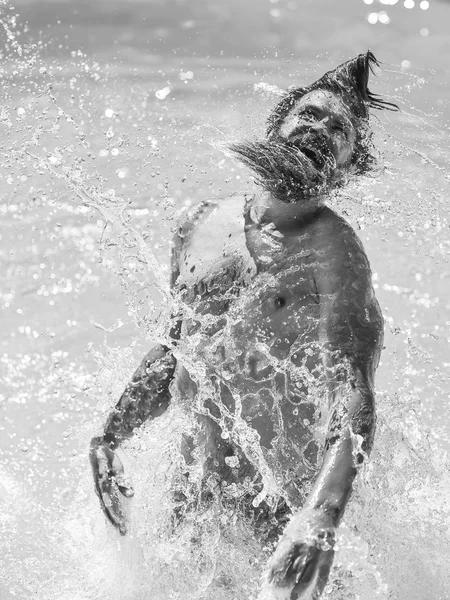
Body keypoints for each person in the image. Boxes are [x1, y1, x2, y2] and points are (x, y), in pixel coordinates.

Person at [89, 51, 398, 598]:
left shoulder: (335, 255)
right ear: (277, 126)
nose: (320, 128)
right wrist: (111, 436)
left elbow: (354, 394)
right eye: (309, 115)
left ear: (349, 168)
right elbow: (175, 349)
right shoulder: (199, 223)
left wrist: (321, 517)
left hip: (276, 518)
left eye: (339, 129)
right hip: (191, 509)